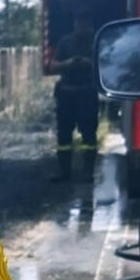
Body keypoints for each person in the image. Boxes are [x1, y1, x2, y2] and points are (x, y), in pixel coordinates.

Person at [50, 12, 98, 183]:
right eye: (79, 23)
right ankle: (64, 172)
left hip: (87, 93)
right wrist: (68, 63)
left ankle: (88, 172)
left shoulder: (97, 41)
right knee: (63, 136)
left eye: (84, 24)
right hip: (66, 94)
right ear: (75, 24)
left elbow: (105, 63)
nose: (81, 27)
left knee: (89, 136)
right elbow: (53, 65)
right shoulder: (65, 42)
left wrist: (88, 63)